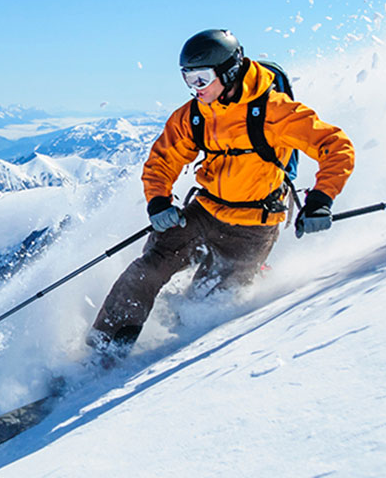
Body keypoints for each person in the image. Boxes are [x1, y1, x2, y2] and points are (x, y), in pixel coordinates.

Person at [86, 28, 355, 365]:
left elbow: (337, 148)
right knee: (148, 269)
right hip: (203, 212)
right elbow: (162, 161)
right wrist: (159, 201)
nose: (195, 88)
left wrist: (320, 200)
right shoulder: (195, 114)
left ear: (228, 71)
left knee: (204, 304)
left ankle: (171, 349)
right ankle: (101, 354)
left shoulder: (274, 111)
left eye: (201, 78)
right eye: (188, 79)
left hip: (252, 227)